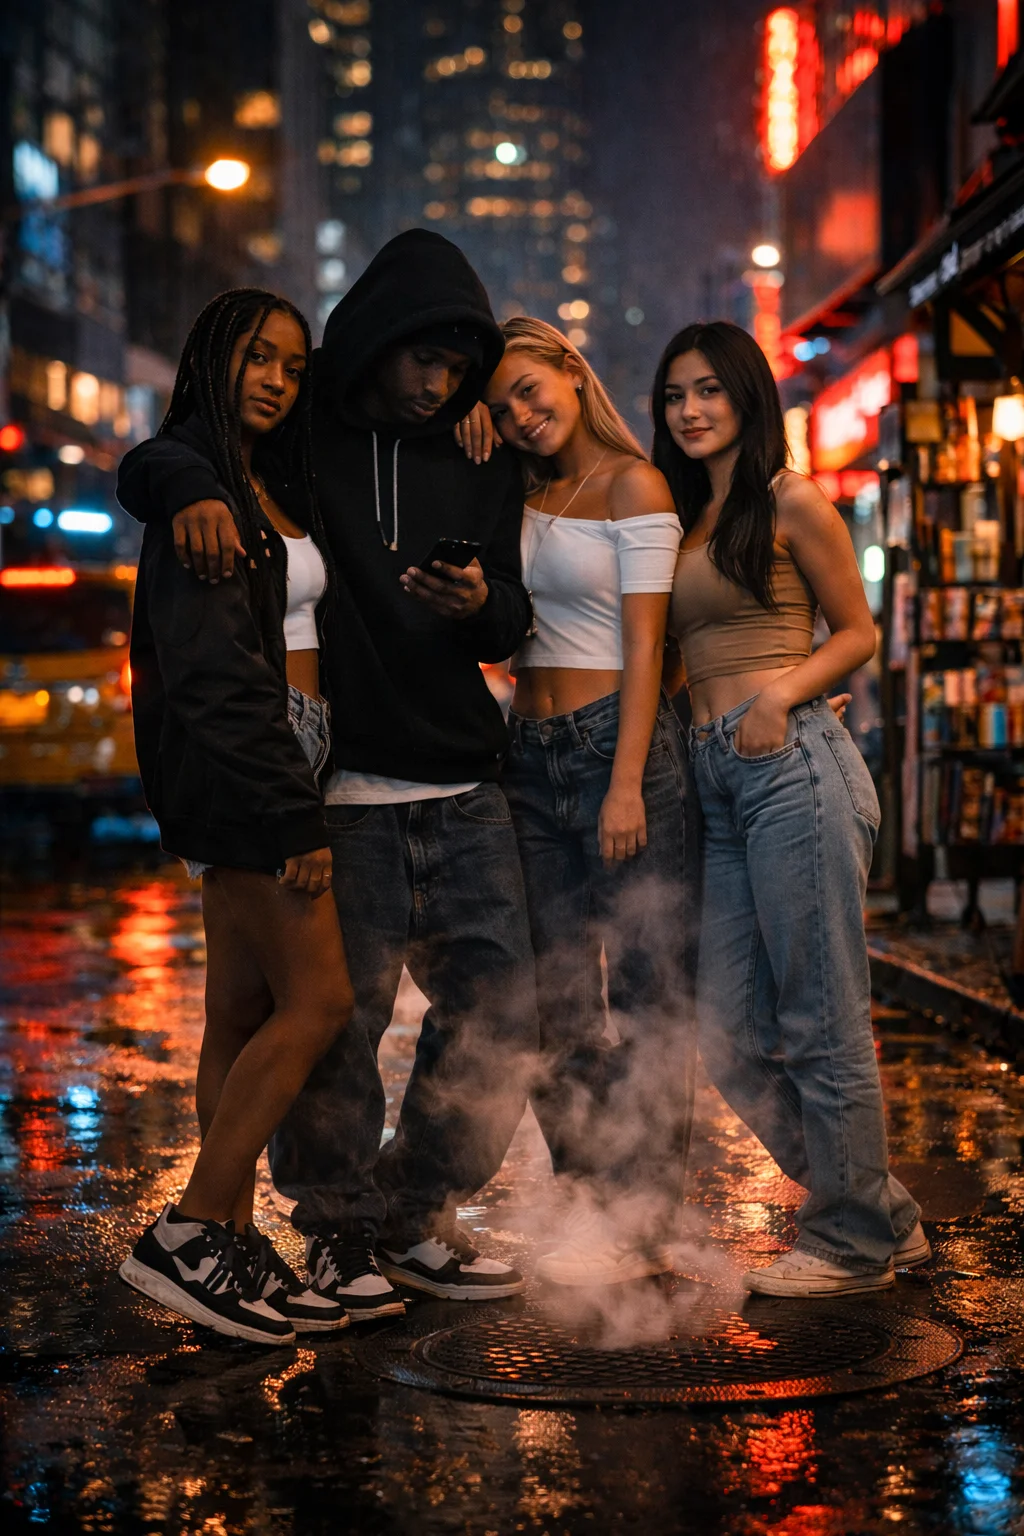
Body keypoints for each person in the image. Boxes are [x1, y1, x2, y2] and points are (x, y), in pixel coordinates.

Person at [118, 232, 538, 1315]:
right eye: (423, 359)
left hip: (460, 781)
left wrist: (478, 606)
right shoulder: (307, 437)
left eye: (458, 367)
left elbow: (511, 609)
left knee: (500, 1009)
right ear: (378, 342)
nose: (437, 384)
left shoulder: (484, 448)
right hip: (336, 786)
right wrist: (184, 486)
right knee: (332, 1025)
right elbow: (168, 452)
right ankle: (327, 1234)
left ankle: (406, 1215)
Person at [653, 320, 926, 1296]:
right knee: (727, 1034)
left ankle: (850, 1243)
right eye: (674, 394)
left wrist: (780, 697)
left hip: (789, 766)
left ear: (747, 396)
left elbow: (855, 631)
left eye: (708, 390)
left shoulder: (789, 498)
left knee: (819, 1017)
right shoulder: (686, 518)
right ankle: (878, 1212)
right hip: (718, 780)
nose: (690, 410)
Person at [116, 289, 355, 1344]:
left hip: (273, 761)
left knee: (241, 1015)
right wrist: (290, 813)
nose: (277, 380)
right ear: (212, 358)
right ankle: (194, 1228)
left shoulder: (262, 478)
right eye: (258, 357)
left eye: (294, 366)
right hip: (254, 772)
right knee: (321, 1001)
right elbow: (214, 680)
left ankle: (234, 1241)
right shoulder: (201, 487)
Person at [480, 318, 697, 1287]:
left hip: (619, 746)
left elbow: (648, 645)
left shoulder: (633, 485)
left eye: (528, 390)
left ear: (571, 368)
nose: (520, 416)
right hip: (527, 754)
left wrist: (625, 782)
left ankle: (642, 1218)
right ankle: (587, 1203)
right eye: (500, 408)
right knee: (556, 997)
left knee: (647, 991)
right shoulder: (520, 494)